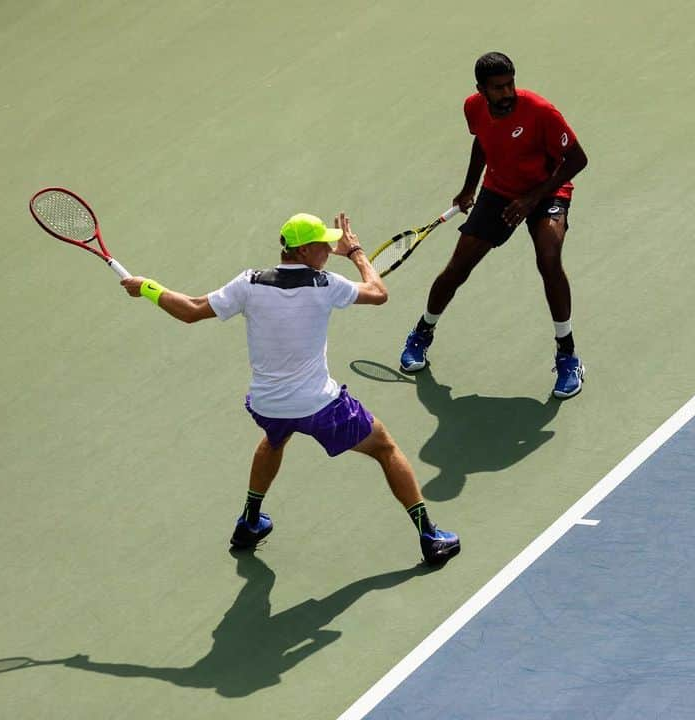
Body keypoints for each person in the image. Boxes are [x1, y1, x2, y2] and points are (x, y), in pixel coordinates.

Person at [119, 212, 460, 566]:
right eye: (324, 245)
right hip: (319, 406)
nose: (329, 249)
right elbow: (378, 293)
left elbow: (190, 310)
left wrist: (147, 287)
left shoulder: (248, 282)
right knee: (385, 448)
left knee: (275, 438)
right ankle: (429, 536)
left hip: (268, 404)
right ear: (304, 250)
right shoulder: (326, 284)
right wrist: (356, 252)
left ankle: (250, 521)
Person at [399, 51, 589, 398]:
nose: (506, 93)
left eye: (510, 84)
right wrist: (470, 186)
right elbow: (482, 141)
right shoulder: (473, 107)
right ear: (481, 90)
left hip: (547, 192)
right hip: (499, 189)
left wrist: (533, 199)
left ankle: (567, 354)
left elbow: (577, 159)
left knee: (549, 258)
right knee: (457, 268)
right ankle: (422, 332)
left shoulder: (541, 112)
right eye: (497, 88)